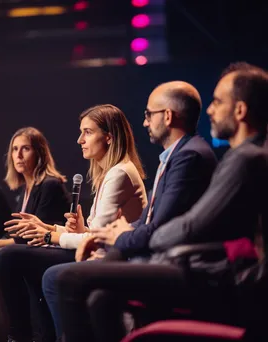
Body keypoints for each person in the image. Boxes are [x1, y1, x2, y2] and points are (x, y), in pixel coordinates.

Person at [56, 63, 268, 342]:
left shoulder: (244, 158)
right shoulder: (242, 155)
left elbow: (192, 226)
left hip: (220, 278)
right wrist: (125, 236)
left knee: (69, 279)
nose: (210, 110)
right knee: (101, 297)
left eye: (217, 102)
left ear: (240, 110)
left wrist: (129, 237)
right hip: (211, 267)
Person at [42, 81, 218, 340]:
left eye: (149, 114)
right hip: (152, 251)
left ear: (167, 116)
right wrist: (103, 235)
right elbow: (150, 221)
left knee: (60, 277)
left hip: (176, 262)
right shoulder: (176, 155)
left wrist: (113, 237)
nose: (145, 122)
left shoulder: (188, 157)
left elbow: (158, 228)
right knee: (97, 295)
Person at [0, 104, 148, 342]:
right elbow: (95, 233)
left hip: (111, 257)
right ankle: (37, 335)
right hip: (99, 251)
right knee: (16, 259)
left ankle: (27, 336)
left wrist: (49, 236)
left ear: (109, 137)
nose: (80, 140)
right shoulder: (111, 172)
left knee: (12, 258)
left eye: (87, 132)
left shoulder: (119, 173)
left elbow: (98, 242)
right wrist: (50, 228)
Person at [0, 127, 70, 265]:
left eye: (25, 149)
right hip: (30, 245)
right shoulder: (25, 189)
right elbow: (16, 231)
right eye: (15, 149)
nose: (18, 155)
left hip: (51, 247)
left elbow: (34, 234)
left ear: (39, 154)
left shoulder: (50, 185)